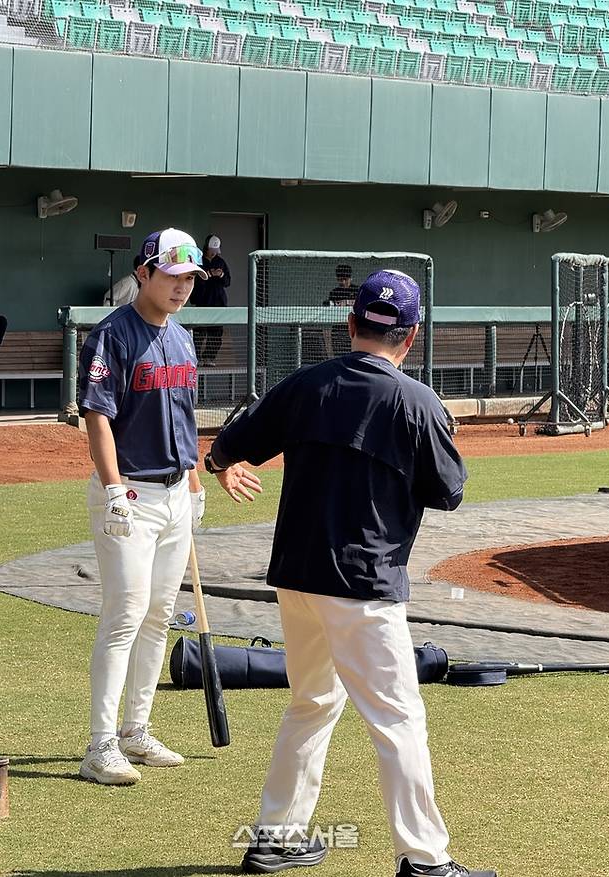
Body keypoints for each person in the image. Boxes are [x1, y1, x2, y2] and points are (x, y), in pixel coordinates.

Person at [205, 270, 496, 877]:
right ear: (411, 336)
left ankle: (275, 837)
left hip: (296, 577)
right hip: (363, 585)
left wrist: (223, 467)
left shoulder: (307, 383)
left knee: (312, 701)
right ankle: (425, 860)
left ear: (351, 322)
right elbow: (449, 493)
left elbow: (227, 447)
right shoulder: (418, 402)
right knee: (397, 719)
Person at [77, 227, 261, 786]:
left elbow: (181, 417)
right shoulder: (113, 336)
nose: (183, 286)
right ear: (144, 273)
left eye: (190, 278)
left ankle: (136, 729)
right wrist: (112, 488)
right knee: (124, 615)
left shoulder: (180, 340)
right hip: (129, 493)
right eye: (173, 275)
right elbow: (97, 416)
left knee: (159, 614)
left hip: (176, 493)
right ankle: (100, 744)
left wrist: (197, 482)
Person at [191, 234, 231, 365]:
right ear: (206, 248)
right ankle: (196, 358)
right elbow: (196, 280)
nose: (214, 254)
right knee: (199, 333)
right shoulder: (199, 261)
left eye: (216, 251)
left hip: (218, 302)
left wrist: (221, 274)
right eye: (211, 251)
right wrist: (209, 274)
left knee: (216, 334)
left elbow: (227, 282)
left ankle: (209, 358)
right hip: (202, 301)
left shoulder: (221, 262)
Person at [322, 263, 358, 358]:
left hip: (354, 331)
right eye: (340, 279)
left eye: (345, 279)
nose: (343, 282)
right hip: (339, 332)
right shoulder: (334, 293)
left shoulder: (357, 291)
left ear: (350, 278)